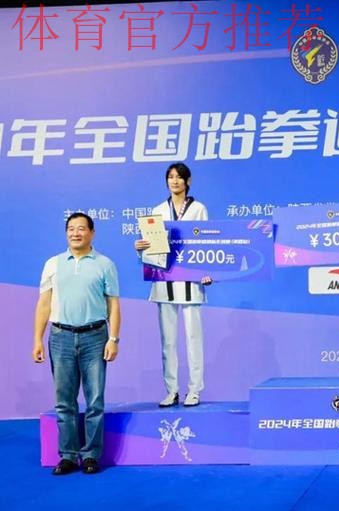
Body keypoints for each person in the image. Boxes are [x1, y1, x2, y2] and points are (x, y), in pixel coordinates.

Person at [33, 212, 121, 475]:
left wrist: (113, 339)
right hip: (60, 337)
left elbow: (113, 305)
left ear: (92, 233)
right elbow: (44, 304)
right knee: (65, 401)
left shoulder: (105, 264)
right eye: (71, 228)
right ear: (66, 233)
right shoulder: (53, 264)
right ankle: (69, 456)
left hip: (95, 337)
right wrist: (37, 339)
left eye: (81, 228)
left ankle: (91, 455)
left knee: (95, 401)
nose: (75, 233)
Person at [135, 162, 212, 407]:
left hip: (191, 281)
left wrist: (207, 272)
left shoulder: (198, 209)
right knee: (168, 341)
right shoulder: (157, 211)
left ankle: (194, 390)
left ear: (188, 181)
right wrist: (140, 249)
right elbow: (151, 247)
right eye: (170, 177)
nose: (174, 181)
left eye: (179, 177)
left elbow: (207, 243)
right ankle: (172, 390)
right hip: (164, 280)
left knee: (193, 338)